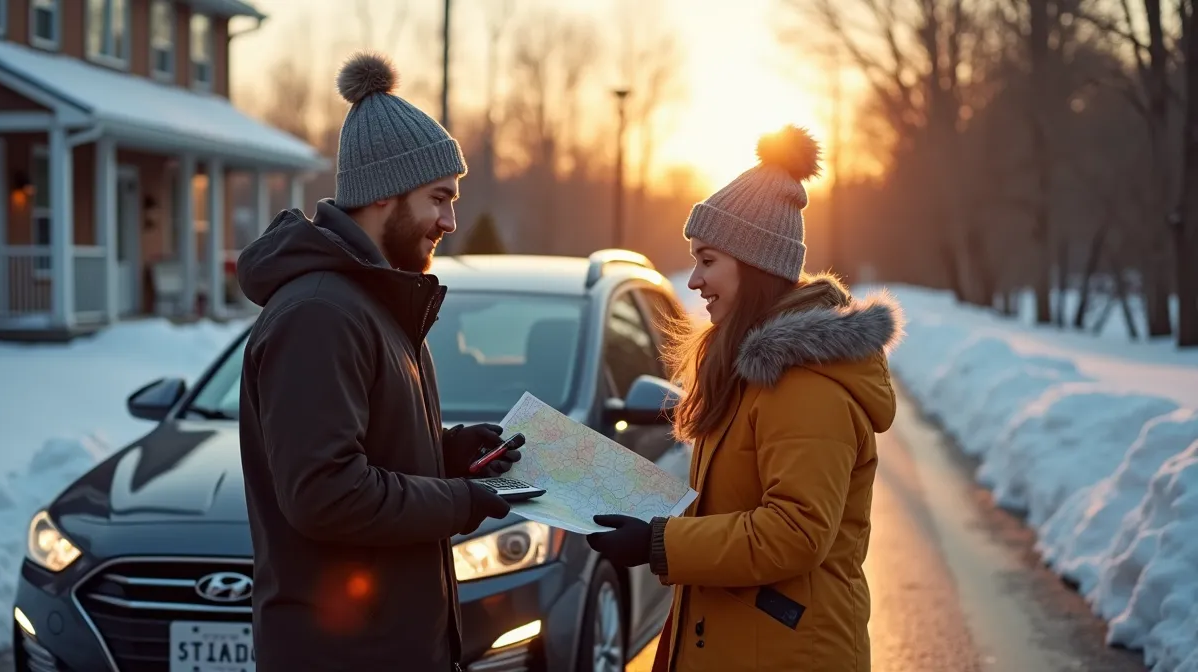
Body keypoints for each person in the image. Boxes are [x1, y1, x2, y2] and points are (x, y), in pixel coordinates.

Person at [236, 51, 523, 672]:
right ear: (385, 195)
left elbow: (366, 451)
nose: (451, 220)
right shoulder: (320, 314)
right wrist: (459, 499)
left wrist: (450, 452)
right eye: (440, 199)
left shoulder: (373, 302)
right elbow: (326, 492)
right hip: (343, 651)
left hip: (388, 642)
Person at [586, 125, 903, 671]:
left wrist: (661, 542)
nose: (695, 281)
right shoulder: (749, 374)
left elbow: (795, 531)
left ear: (754, 264)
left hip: (788, 654)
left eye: (707, 260)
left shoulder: (806, 383)